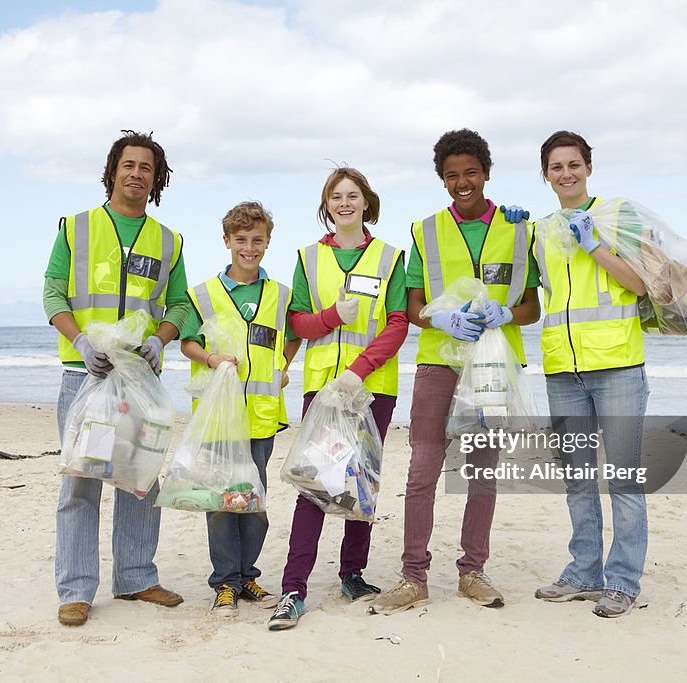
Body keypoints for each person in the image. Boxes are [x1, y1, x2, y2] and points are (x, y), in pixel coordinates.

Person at [369, 129, 540, 615]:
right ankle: (412, 576)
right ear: (442, 180)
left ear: (486, 173)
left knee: (483, 471)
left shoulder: (519, 229)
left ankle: (473, 571)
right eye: (451, 175)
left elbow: (532, 305)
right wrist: (440, 318)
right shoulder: (424, 231)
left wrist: (509, 315)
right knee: (423, 467)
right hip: (439, 362)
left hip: (492, 366)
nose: (462, 182)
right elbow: (415, 301)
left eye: (470, 172)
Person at [43, 130, 190, 626]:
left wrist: (160, 340)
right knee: (81, 483)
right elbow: (53, 295)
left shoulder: (168, 241)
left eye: (146, 167)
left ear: (157, 178)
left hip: (141, 384)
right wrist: (83, 343)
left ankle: (136, 577)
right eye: (128, 164)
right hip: (84, 379)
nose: (136, 173)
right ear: (112, 171)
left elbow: (180, 305)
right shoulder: (76, 228)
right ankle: (76, 589)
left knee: (140, 480)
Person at [511, 130, 650, 618]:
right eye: (555, 167)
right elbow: (526, 296)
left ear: (588, 166)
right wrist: (513, 232)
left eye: (573, 164)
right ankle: (584, 572)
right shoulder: (539, 231)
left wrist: (594, 244)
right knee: (577, 479)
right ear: (545, 175)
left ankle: (624, 581)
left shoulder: (616, 217)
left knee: (625, 480)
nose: (565, 173)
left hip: (617, 366)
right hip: (562, 371)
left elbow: (640, 284)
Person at [268, 167, 408, 631]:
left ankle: (352, 573)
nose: (345, 203)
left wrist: (359, 370)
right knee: (316, 485)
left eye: (353, 195)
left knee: (360, 483)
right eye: (336, 196)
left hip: (371, 390)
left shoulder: (389, 257)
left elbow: (398, 322)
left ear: (367, 201)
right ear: (326, 205)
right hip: (322, 392)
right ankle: (293, 588)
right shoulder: (308, 258)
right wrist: (331, 316)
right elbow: (297, 323)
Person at [180, 201, 301, 617]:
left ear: (267, 243)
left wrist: (283, 365)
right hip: (218, 418)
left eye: (258, 240)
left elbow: (292, 337)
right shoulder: (203, 294)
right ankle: (225, 583)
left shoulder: (281, 295)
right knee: (220, 502)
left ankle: (247, 574)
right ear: (227, 241)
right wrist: (210, 360)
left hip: (262, 416)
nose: (249, 248)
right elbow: (187, 342)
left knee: (253, 501)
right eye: (241, 240)